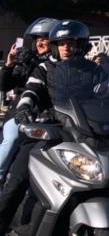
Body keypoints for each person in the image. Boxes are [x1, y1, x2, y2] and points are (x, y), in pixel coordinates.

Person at [0, 20, 109, 232]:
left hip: (83, 134)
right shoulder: (44, 68)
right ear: (55, 45)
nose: (66, 47)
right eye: (61, 43)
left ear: (80, 44)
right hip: (46, 132)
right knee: (17, 182)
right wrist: (25, 108)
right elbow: (31, 91)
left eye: (70, 43)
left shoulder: (94, 70)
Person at [0, 18, 58, 183]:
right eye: (37, 40)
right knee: (11, 140)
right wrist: (9, 65)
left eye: (44, 39)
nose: (40, 43)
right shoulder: (27, 60)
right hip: (23, 113)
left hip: (52, 116)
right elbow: (4, 85)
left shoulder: (60, 64)